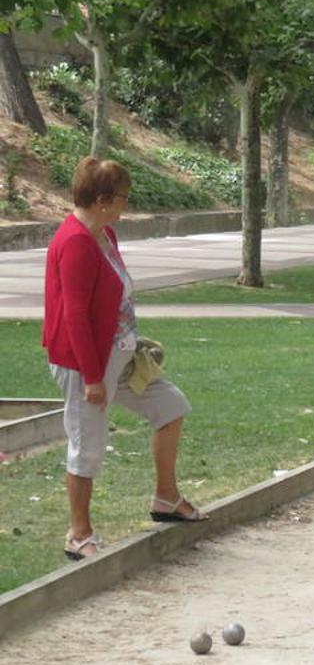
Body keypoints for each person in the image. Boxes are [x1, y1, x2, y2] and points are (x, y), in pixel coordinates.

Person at [43, 157, 202, 560]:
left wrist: (131, 341)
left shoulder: (104, 234)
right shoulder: (76, 241)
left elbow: (112, 299)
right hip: (85, 363)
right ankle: (78, 534)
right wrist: (94, 377)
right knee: (87, 444)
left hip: (120, 354)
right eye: (122, 198)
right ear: (101, 200)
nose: (125, 206)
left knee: (170, 406)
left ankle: (165, 498)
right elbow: (74, 315)